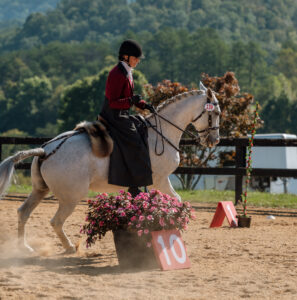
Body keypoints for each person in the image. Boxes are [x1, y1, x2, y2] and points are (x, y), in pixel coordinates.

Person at [100, 40, 154, 197]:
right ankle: (134, 185)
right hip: (113, 115)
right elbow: (113, 102)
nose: (137, 61)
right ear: (125, 56)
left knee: (142, 126)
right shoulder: (116, 74)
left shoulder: (127, 72)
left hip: (122, 114)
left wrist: (144, 105)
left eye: (138, 58)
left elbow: (130, 98)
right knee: (135, 141)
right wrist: (131, 101)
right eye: (135, 58)